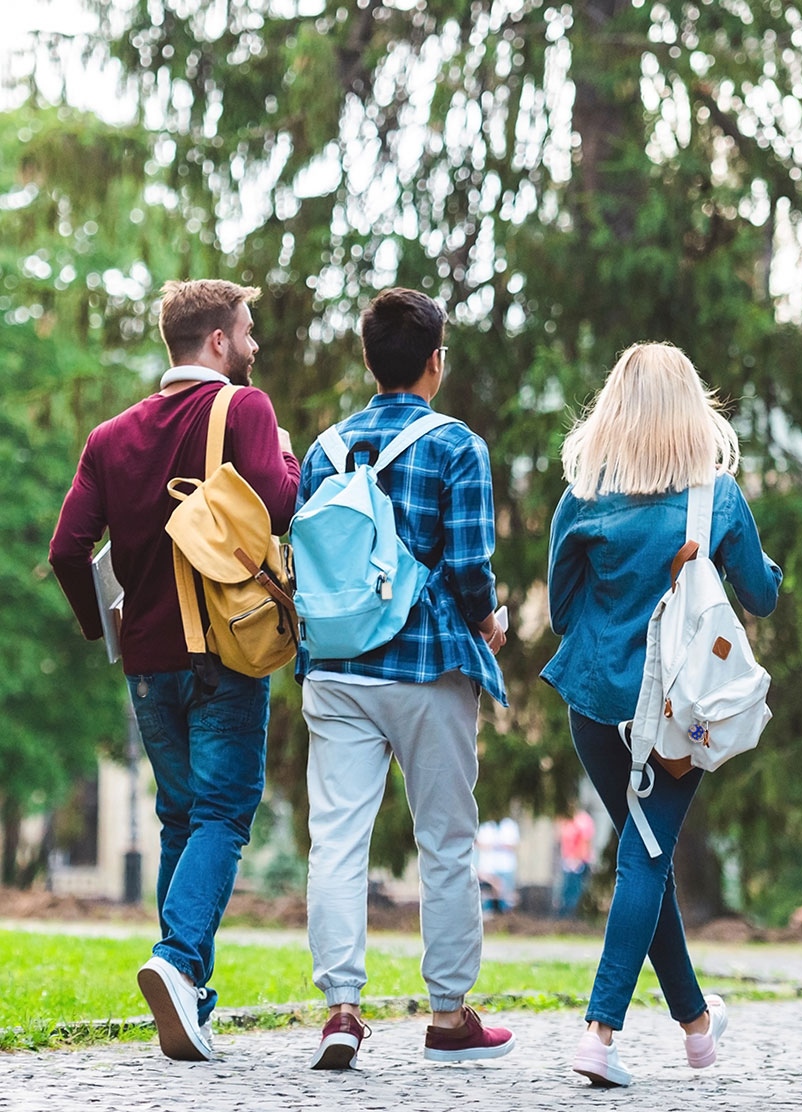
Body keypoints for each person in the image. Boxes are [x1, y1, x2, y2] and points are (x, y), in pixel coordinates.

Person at [49, 279, 300, 1061]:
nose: (254, 345)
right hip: (225, 652)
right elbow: (280, 507)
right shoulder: (245, 410)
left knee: (181, 820)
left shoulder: (109, 437)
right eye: (247, 332)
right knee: (224, 815)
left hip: (148, 663)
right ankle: (180, 962)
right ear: (218, 341)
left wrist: (104, 628)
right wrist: (287, 457)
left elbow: (66, 549)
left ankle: (191, 1005)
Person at [541, 341, 782, 1087]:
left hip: (594, 705)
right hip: (678, 714)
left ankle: (698, 1027)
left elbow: (560, 611)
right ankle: (599, 1033)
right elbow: (761, 595)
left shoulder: (582, 495)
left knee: (646, 851)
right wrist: (753, 564)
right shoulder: (717, 498)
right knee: (645, 857)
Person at [299, 287, 515, 1071]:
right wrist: (488, 619)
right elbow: (468, 564)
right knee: (446, 842)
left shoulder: (323, 451)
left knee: (337, 840)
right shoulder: (457, 447)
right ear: (434, 362)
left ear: (368, 362)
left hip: (335, 667)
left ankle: (340, 1010)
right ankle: (449, 1017)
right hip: (427, 665)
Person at [557, 809, 596, 918]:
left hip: (578, 863)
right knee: (566, 891)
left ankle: (574, 917)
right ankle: (565, 917)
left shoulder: (583, 820)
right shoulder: (567, 819)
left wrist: (578, 860)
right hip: (568, 861)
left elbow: (585, 841)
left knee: (575, 891)